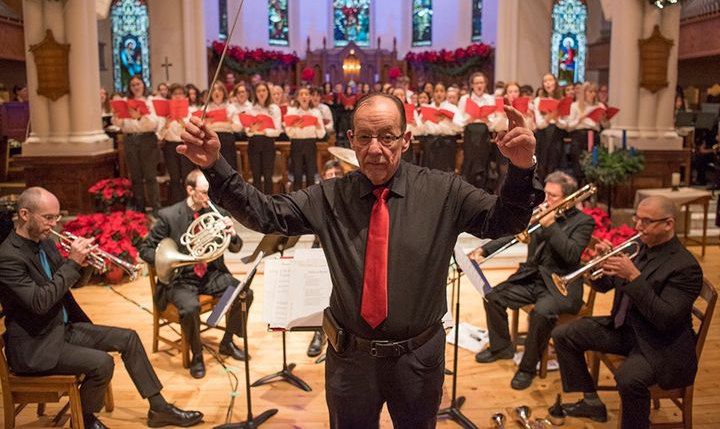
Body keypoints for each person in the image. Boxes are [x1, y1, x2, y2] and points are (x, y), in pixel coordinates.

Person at [178, 92, 542, 428]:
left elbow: (505, 221)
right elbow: (266, 215)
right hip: (351, 360)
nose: (376, 149)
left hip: (417, 359)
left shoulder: (443, 191)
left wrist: (522, 169)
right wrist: (215, 165)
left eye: (387, 137)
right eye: (365, 138)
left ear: (406, 139)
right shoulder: (330, 196)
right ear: (350, 140)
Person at [0, 187, 204, 429]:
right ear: (25, 214)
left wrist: (84, 264)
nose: (54, 224)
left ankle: (158, 408)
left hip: (61, 328)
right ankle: (85, 420)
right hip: (36, 346)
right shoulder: (8, 257)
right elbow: (40, 302)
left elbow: (71, 285)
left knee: (129, 338)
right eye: (48, 218)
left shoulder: (45, 243)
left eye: (56, 217)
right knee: (102, 363)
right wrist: (72, 262)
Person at [552, 196, 703, 429]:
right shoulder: (642, 246)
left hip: (660, 343)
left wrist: (633, 276)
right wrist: (602, 265)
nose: (637, 226)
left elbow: (666, 320)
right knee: (564, 334)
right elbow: (605, 287)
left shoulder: (685, 267)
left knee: (628, 379)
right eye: (637, 218)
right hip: (626, 328)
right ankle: (591, 402)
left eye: (646, 221)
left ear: (669, 224)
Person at [471, 171, 594, 390]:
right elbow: (513, 233)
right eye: (544, 193)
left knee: (541, 313)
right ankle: (502, 348)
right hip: (533, 278)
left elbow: (571, 255)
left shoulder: (583, 222)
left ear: (569, 198)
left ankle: (528, 368)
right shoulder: (540, 212)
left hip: (561, 285)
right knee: (492, 296)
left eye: (552, 195)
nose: (546, 200)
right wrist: (484, 249)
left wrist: (551, 226)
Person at [139, 170, 250, 379]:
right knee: (191, 307)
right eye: (204, 193)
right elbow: (145, 249)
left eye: (210, 193)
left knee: (242, 292)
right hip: (181, 278)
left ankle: (226, 340)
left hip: (210, 275)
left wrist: (232, 234)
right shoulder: (169, 216)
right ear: (190, 190)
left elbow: (235, 248)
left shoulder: (218, 213)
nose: (209, 198)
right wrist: (166, 257)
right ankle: (197, 354)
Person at [306, 159, 345, 357]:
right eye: (329, 176)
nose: (333, 179)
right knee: (319, 293)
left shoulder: (350, 198)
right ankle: (318, 334)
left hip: (345, 257)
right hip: (323, 253)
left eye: (337, 175)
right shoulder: (319, 200)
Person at [111, 75, 160, 213]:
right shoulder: (125, 101)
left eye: (138, 84)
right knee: (136, 176)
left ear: (143, 85)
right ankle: (140, 207)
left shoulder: (150, 101)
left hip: (147, 138)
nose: (136, 87)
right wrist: (116, 116)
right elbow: (119, 124)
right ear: (129, 88)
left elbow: (155, 124)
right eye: (133, 85)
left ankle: (156, 207)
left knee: (150, 176)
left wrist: (140, 117)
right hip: (130, 139)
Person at [458, 72, 497, 190]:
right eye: (476, 83)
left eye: (481, 83)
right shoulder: (465, 99)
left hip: (484, 135)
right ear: (472, 85)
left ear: (485, 84)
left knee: (484, 163)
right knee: (469, 163)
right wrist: (468, 119)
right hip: (470, 135)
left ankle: (483, 191)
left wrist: (487, 120)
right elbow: (459, 119)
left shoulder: (490, 99)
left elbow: (494, 120)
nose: (479, 85)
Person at [158, 84, 194, 204]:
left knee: (186, 177)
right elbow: (159, 135)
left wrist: (184, 124)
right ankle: (176, 204)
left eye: (180, 93)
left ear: (185, 96)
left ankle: (188, 203)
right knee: (174, 178)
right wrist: (166, 124)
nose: (178, 96)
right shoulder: (165, 113)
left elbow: (195, 132)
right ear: (171, 96)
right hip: (170, 146)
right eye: (175, 94)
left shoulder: (190, 112)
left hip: (186, 146)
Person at [285, 86, 325, 190]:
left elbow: (321, 135)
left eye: (306, 94)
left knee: (310, 174)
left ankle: (310, 202)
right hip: (296, 143)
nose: (304, 96)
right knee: (297, 174)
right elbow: (288, 133)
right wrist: (294, 127)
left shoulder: (316, 112)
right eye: (301, 94)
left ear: (310, 97)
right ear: (297, 98)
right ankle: (297, 202)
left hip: (310, 143)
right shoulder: (292, 112)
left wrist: (318, 127)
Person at [246, 82, 282, 194]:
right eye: (259, 91)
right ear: (255, 93)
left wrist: (264, 130)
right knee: (256, 176)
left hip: (268, 143)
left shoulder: (274, 108)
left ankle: (268, 203)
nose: (261, 93)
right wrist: (251, 130)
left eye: (264, 90)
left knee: (268, 176)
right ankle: (257, 204)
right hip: (254, 143)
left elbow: (277, 131)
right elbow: (247, 131)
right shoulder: (250, 108)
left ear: (268, 92)